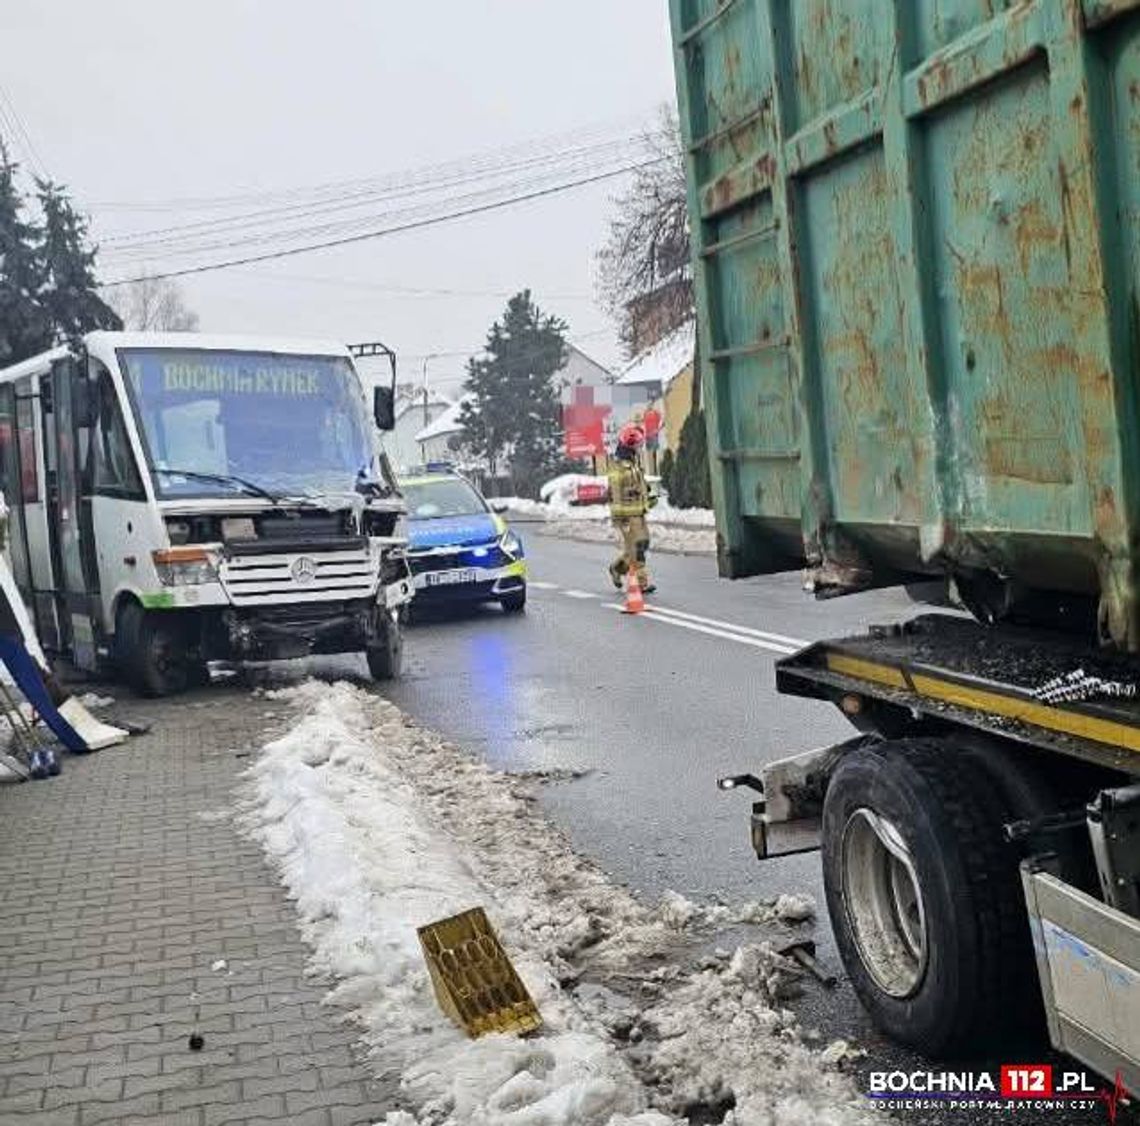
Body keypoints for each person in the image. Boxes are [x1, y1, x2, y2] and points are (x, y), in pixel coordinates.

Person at [607, 423, 657, 594]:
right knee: (638, 548)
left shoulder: (633, 463)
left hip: (639, 512)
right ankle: (641, 583)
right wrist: (620, 519)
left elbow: (638, 486)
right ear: (629, 445)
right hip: (627, 517)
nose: (639, 447)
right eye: (637, 445)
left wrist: (648, 497)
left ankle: (616, 568)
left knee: (641, 545)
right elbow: (615, 495)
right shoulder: (618, 467)